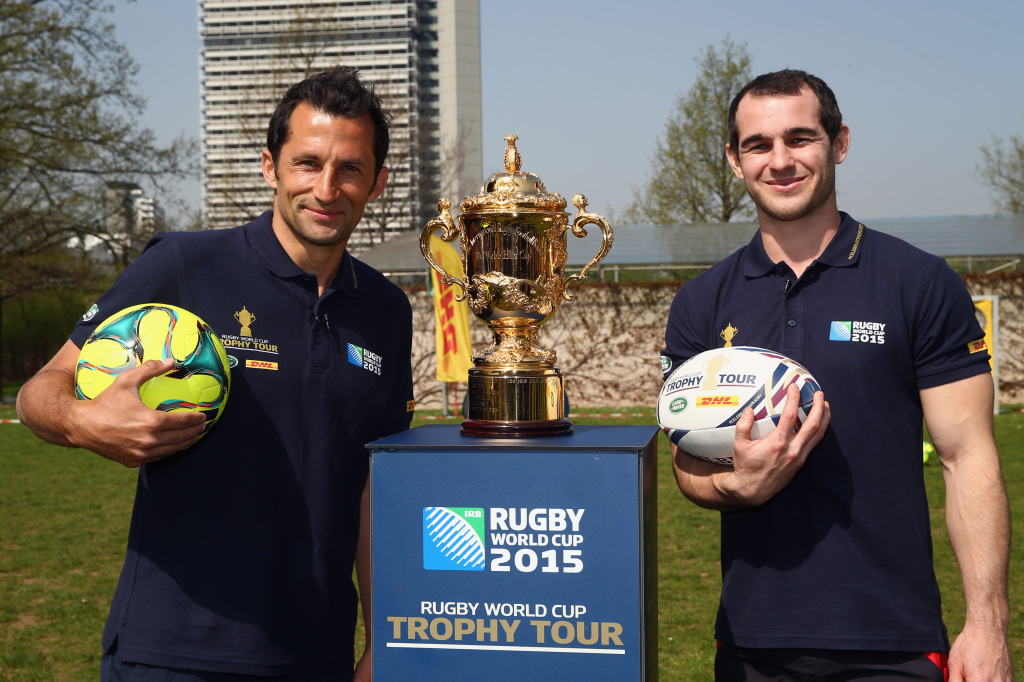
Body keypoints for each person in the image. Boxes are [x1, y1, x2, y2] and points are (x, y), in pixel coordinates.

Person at [16, 66, 414, 681]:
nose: (327, 187)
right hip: (173, 651)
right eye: (307, 163)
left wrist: (381, 639)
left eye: (351, 168)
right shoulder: (182, 264)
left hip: (317, 655)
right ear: (269, 166)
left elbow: (373, 488)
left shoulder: (387, 310)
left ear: (378, 182)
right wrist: (84, 420)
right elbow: (39, 391)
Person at [662, 69, 1013, 681]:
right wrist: (735, 487)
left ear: (839, 143)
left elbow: (968, 455)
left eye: (800, 138)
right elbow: (687, 462)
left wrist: (987, 624)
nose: (780, 161)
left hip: (893, 645)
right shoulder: (701, 302)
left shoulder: (919, 283)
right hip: (751, 646)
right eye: (757, 145)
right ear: (733, 158)